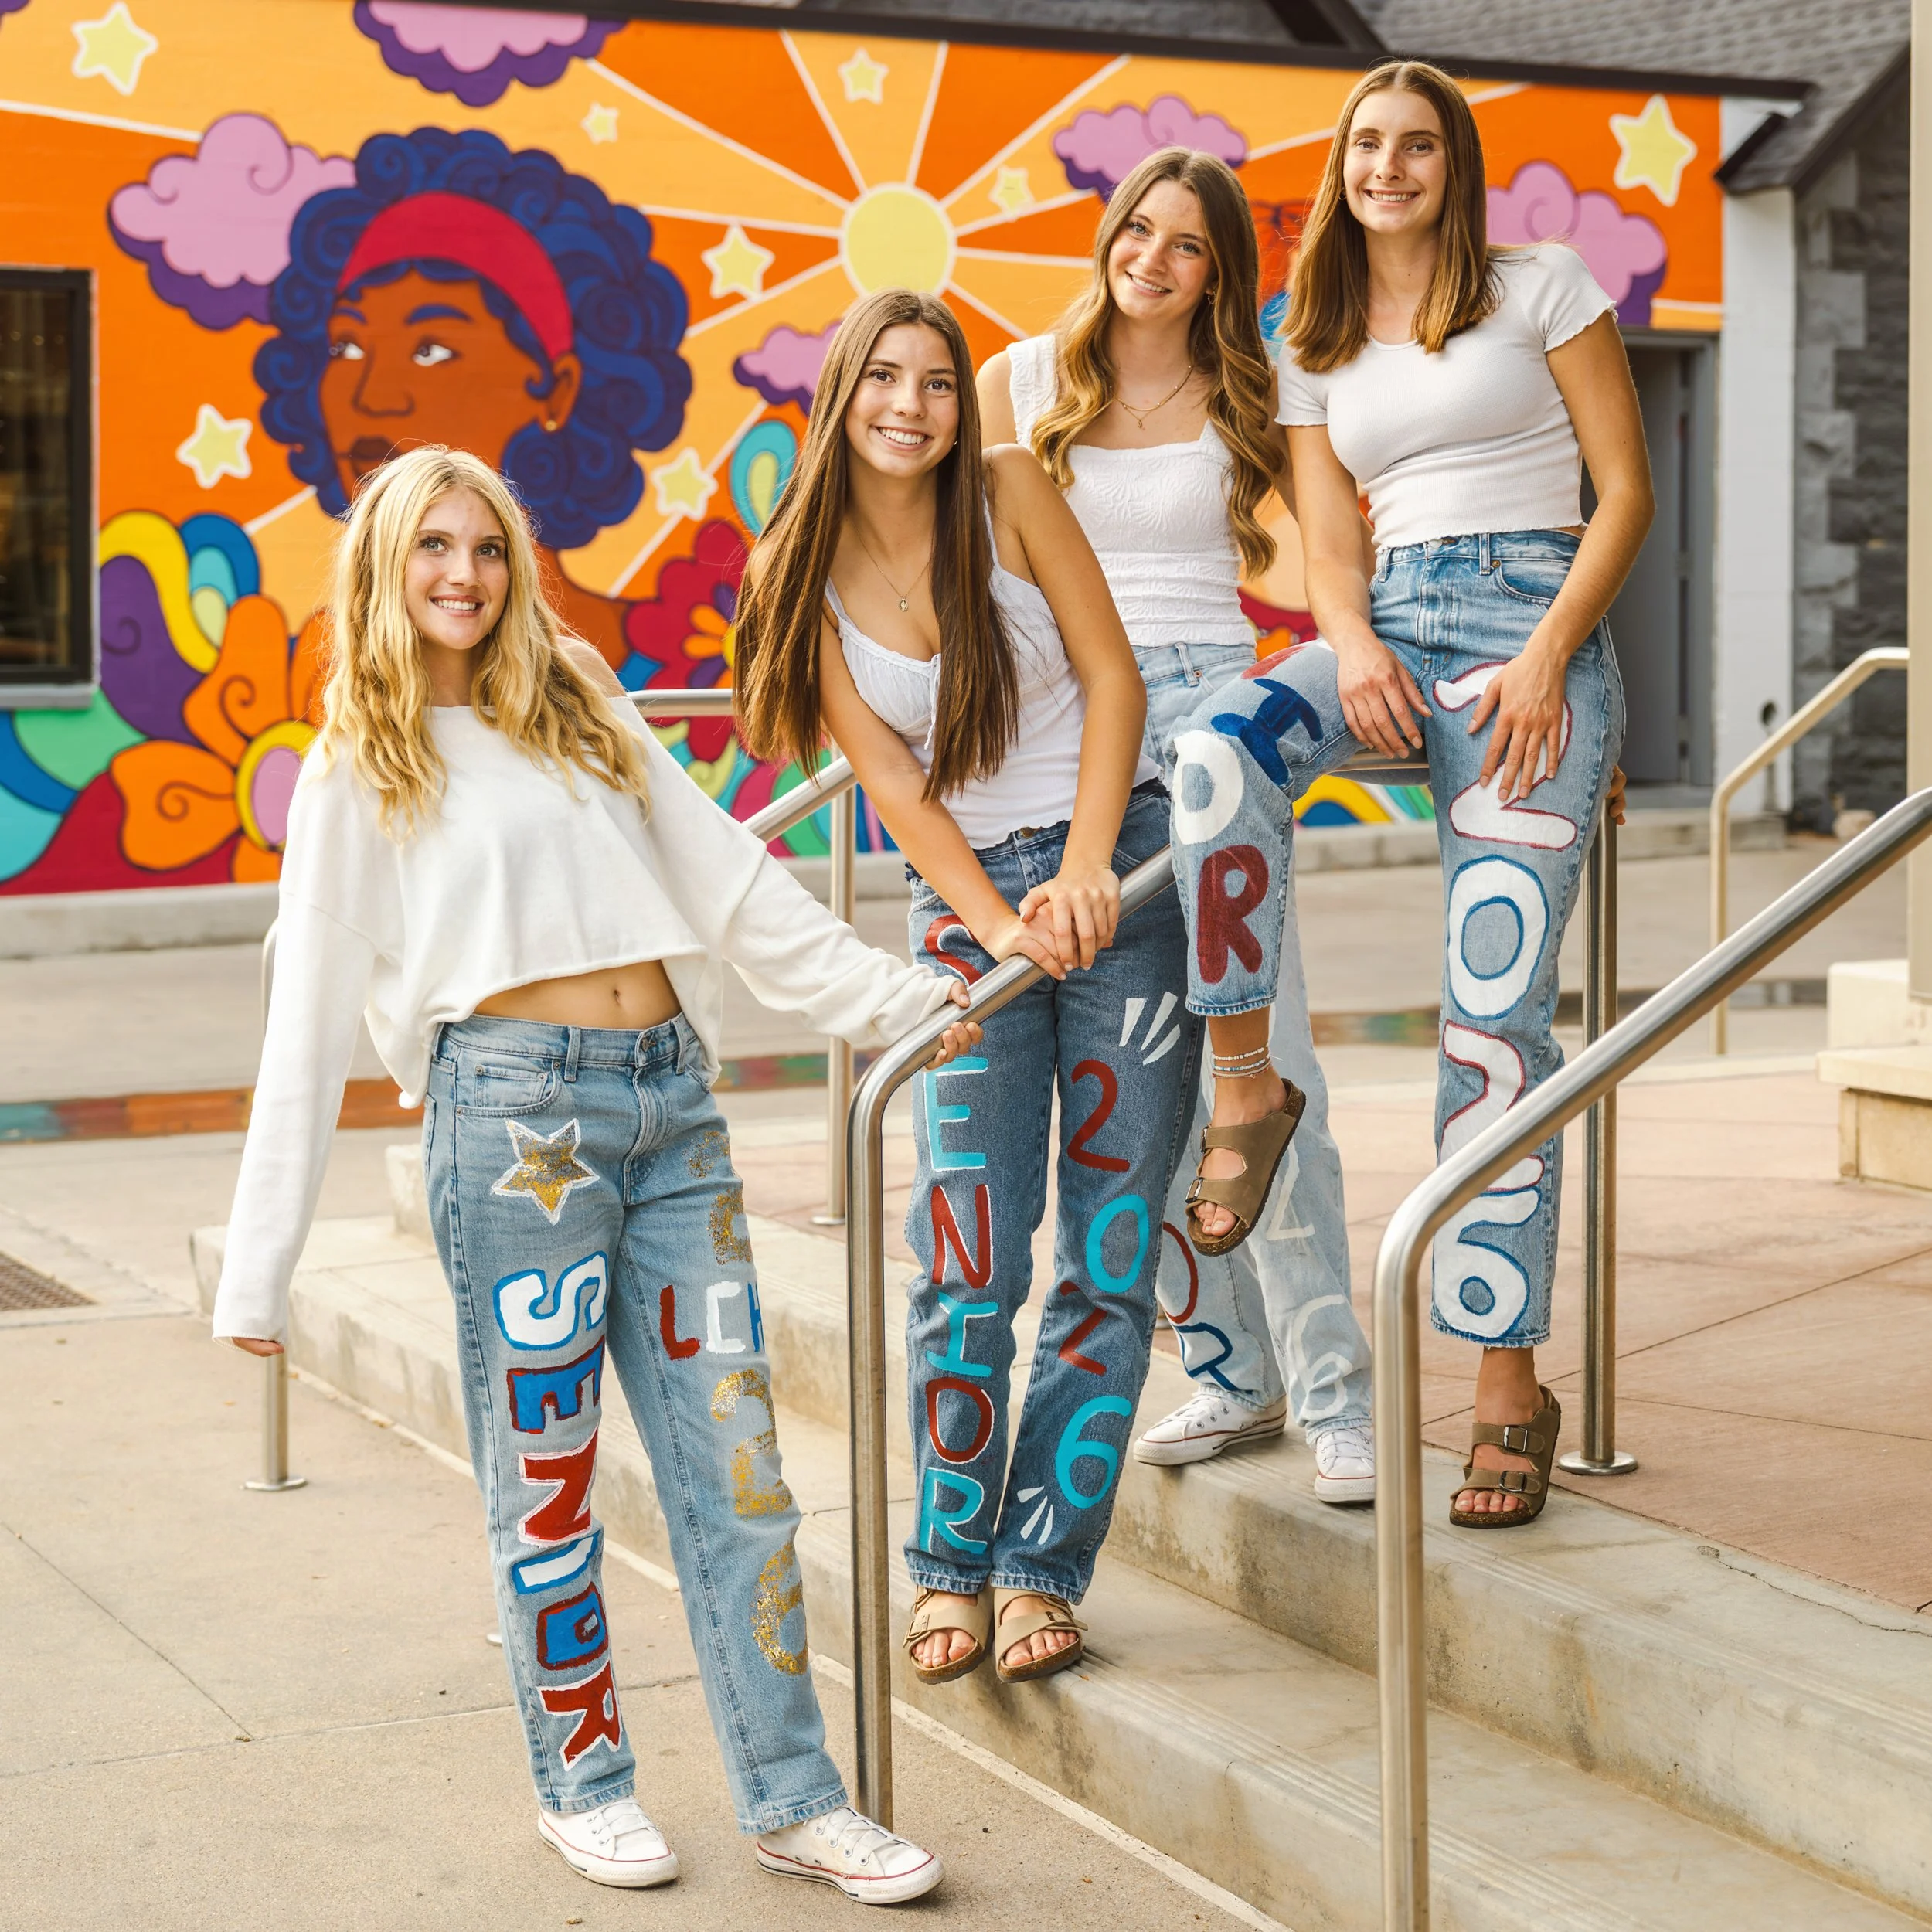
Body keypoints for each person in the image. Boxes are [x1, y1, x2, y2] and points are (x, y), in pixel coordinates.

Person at [211, 444, 981, 1901]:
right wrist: (263, 1266)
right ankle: (586, 1782)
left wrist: (899, 1003)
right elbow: (303, 1015)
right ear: (384, 569)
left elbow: (732, 882)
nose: (464, 574)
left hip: (671, 1108)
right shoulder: (359, 761)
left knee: (741, 1477)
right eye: (432, 547)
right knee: (550, 1481)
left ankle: (797, 1799)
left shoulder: (570, 698)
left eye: (489, 546)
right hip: (512, 1128)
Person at [1171, 60, 1651, 1527]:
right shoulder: (1305, 333)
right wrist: (1353, 643)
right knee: (1214, 757)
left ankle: (1509, 1386)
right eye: (1367, 144)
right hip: (1387, 623)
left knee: (1490, 1012)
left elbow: (1623, 489)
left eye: (1417, 145)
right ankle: (1247, 1087)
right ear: (1341, 167)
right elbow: (1325, 540)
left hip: (1532, 631)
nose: (1389, 166)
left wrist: (1550, 661)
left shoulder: (1543, 284)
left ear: (1457, 165)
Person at [734, 289, 1193, 1687]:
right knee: (967, 1263)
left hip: (1127, 879)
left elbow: (1114, 681)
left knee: (1108, 1265)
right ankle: (947, 1562)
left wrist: (1094, 871)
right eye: (886, 378)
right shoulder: (794, 571)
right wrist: (999, 925)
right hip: (969, 910)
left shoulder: (1009, 490)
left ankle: (1039, 1568)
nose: (913, 406)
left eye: (938, 381)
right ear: (843, 393)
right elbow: (892, 783)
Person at [979, 147, 1376, 1503]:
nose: (1151, 257)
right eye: (1136, 230)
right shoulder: (1020, 382)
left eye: (1187, 243)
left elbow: (1331, 552)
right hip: (1067, 742)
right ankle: (1229, 1371)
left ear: (1220, 269)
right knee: (1130, 1089)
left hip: (1210, 729)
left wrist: (1358, 659)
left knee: (1258, 1074)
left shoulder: (1255, 389)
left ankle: (1339, 1393)